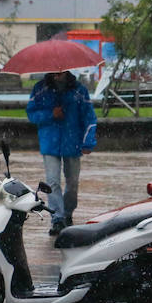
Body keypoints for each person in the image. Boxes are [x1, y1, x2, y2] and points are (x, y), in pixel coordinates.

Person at [25, 70, 98, 235]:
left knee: (72, 183)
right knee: (52, 182)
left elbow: (89, 118)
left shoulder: (79, 91)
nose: (56, 74)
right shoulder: (40, 89)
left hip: (73, 144)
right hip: (50, 142)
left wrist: (88, 142)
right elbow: (31, 113)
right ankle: (57, 219)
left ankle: (67, 213)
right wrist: (51, 114)